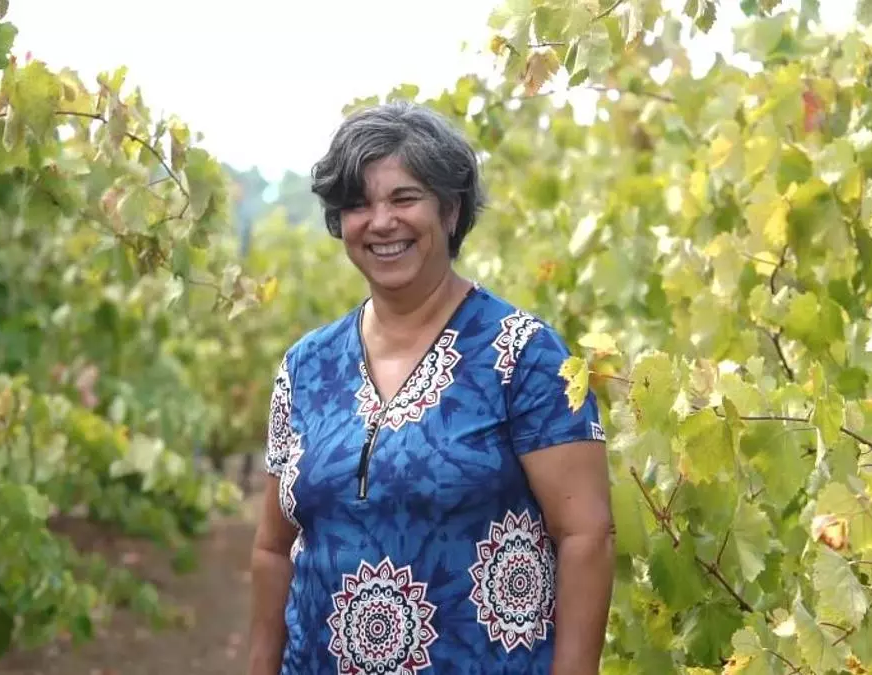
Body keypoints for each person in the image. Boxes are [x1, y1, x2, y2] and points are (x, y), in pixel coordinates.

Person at [248, 101, 613, 675]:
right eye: (358, 204)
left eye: (404, 198)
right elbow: (274, 549)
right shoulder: (305, 368)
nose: (381, 222)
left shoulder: (523, 356)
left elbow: (586, 536)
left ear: (451, 210)